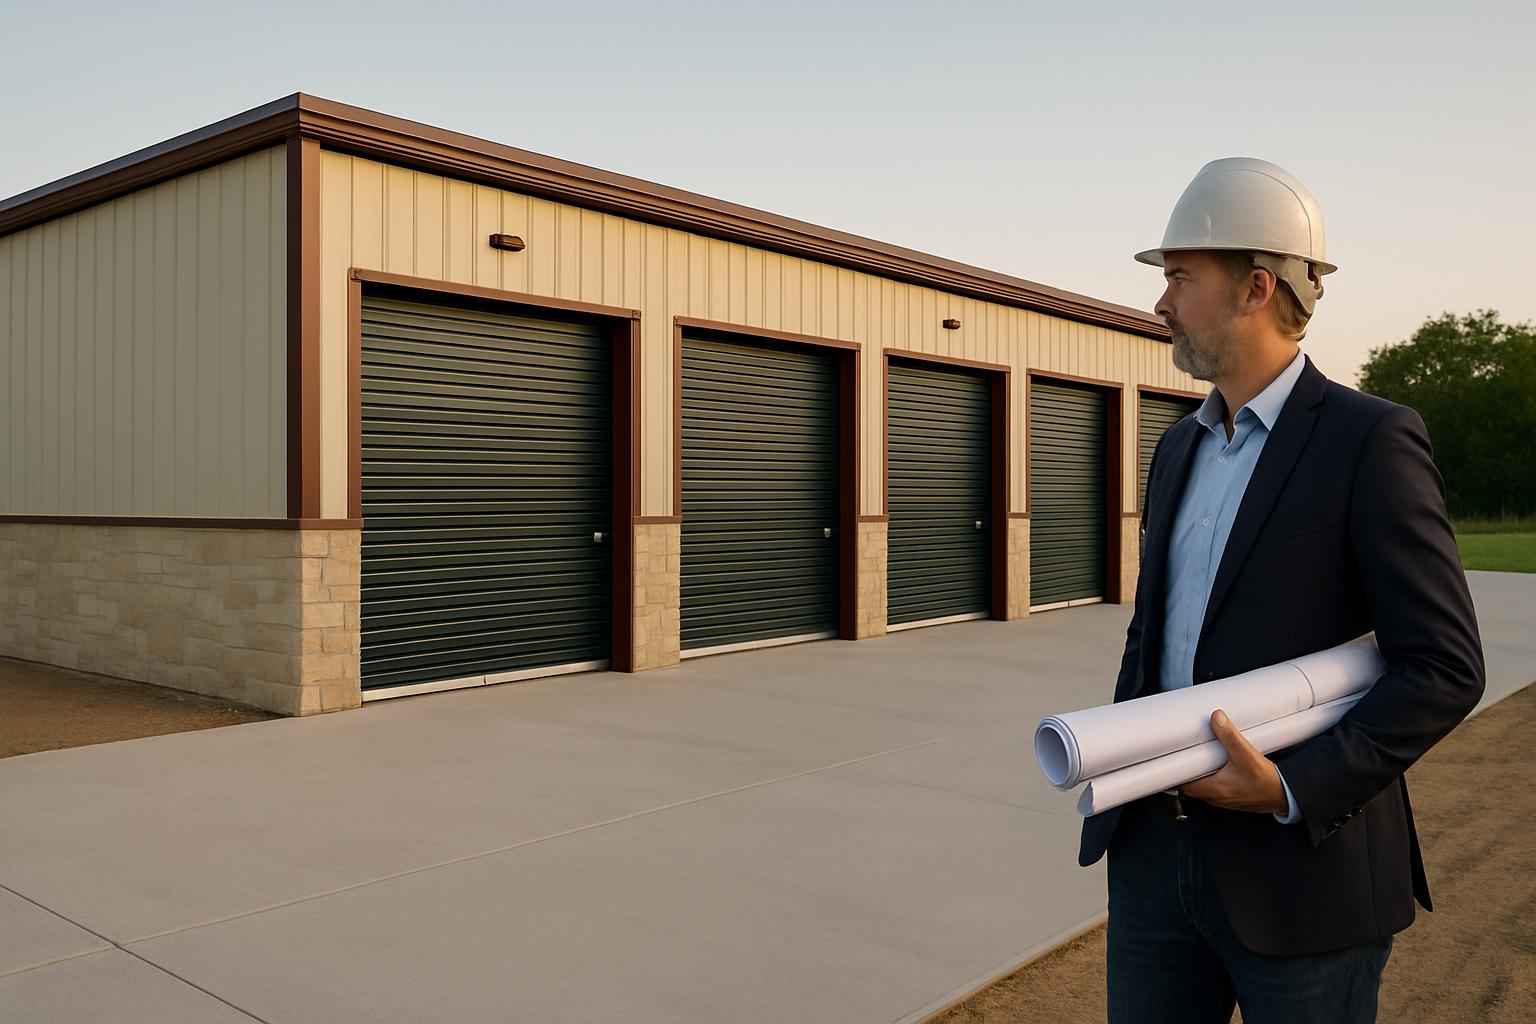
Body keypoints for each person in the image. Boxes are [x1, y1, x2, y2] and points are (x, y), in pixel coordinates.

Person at [1081, 158, 1486, 1023]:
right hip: (1157, 861)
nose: (1161, 303)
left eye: (1180, 279)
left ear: (1256, 287)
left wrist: (1291, 788)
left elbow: (1444, 667)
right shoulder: (1177, 448)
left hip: (1305, 876)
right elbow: (1152, 637)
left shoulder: (1368, 441)